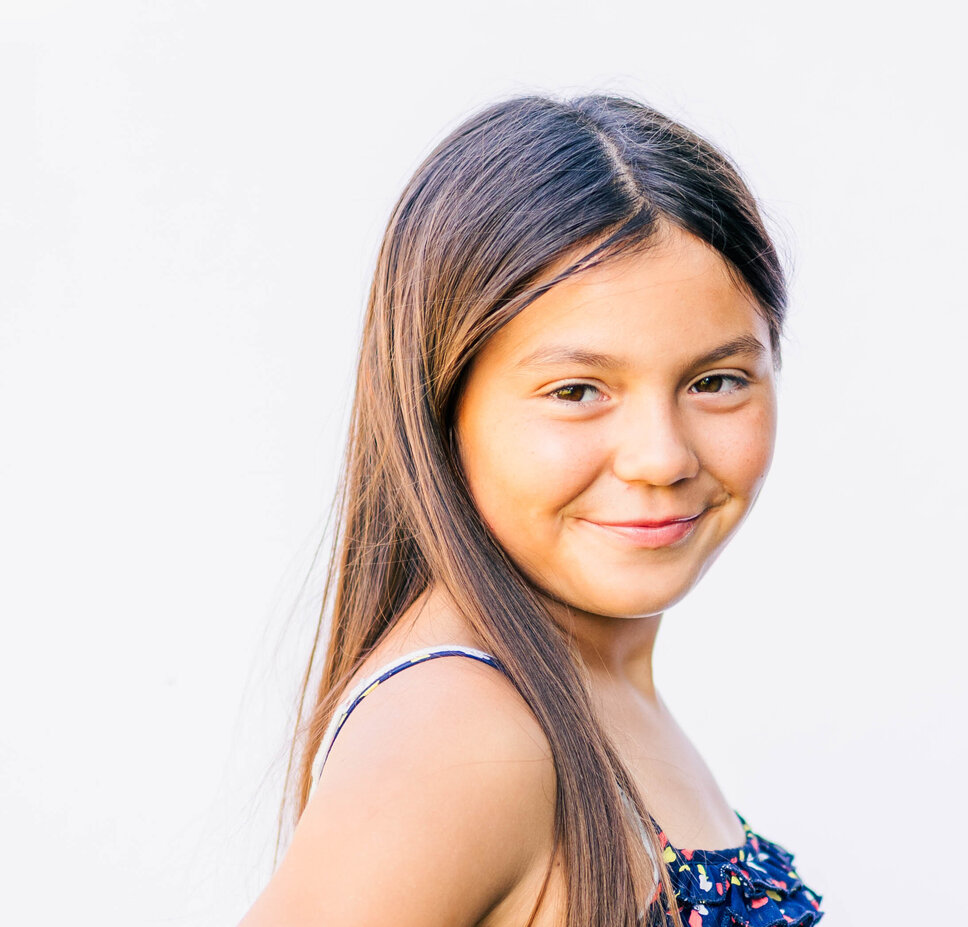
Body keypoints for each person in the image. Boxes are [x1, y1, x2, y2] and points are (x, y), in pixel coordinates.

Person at [239, 93, 824, 927]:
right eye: (578, 390)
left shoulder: (595, 684)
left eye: (716, 381)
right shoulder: (461, 730)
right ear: (442, 404)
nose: (661, 456)